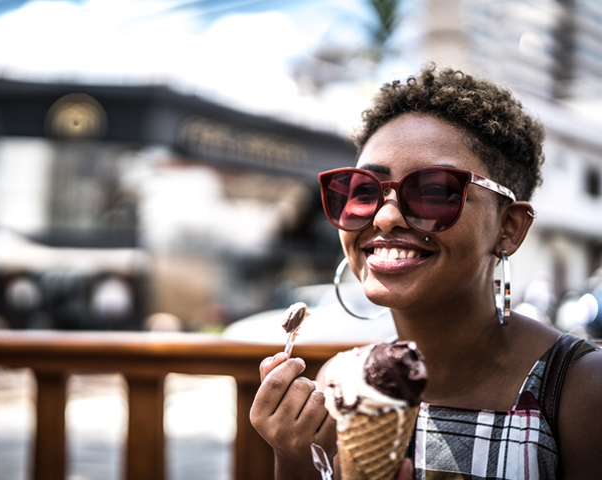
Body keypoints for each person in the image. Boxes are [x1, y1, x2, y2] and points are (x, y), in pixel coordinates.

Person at [249, 65, 602, 479]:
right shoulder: (338, 382)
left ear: (509, 227)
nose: (384, 218)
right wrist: (293, 457)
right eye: (363, 190)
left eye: (435, 191)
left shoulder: (579, 390)